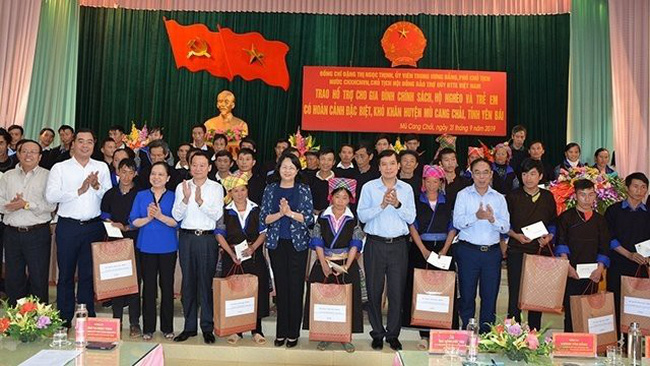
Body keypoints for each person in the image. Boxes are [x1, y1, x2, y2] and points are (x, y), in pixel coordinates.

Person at [46, 128, 112, 327]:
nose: (85, 145)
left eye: (89, 142)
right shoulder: (60, 167)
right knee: (65, 274)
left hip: (93, 227)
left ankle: (86, 315)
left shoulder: (101, 167)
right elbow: (51, 196)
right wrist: (80, 190)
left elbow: (109, 198)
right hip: (68, 226)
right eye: (81, 141)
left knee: (88, 274)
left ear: (94, 145)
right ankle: (64, 318)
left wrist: (97, 187)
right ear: (73, 144)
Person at [357, 150, 416, 351]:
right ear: (379, 166)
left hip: (399, 245)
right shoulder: (369, 187)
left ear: (398, 166)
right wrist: (382, 205)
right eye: (384, 164)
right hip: (374, 244)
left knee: (396, 291)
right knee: (374, 291)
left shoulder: (406, 189)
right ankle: (377, 333)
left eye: (392, 163)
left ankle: (393, 334)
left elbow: (411, 217)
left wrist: (397, 204)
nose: (388, 168)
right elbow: (362, 216)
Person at [303, 178, 363, 353]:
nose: (341, 201)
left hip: (346, 264)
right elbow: (317, 240)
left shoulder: (354, 218)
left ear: (350, 199)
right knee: (324, 301)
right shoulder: (322, 216)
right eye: (338, 197)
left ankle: (345, 336)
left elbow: (356, 242)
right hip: (324, 263)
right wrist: (323, 264)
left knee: (346, 301)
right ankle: (324, 335)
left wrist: (347, 265)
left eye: (345, 198)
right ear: (331, 197)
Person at [260, 153, 314, 348]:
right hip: (276, 244)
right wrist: (279, 214)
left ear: (297, 170)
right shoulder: (270, 189)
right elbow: (263, 218)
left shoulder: (303, 189)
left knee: (296, 287)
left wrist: (289, 213)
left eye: (292, 167)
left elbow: (309, 219)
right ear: (278, 169)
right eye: (284, 167)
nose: (288, 170)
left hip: (298, 245)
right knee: (281, 288)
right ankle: (281, 332)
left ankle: (293, 333)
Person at [404, 165, 458, 350]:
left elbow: (453, 226)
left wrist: (444, 249)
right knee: (421, 290)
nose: (431, 184)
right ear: (423, 182)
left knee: (443, 290)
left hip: (443, 248)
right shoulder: (417, 201)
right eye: (428, 180)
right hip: (421, 248)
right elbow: (412, 225)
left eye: (435, 181)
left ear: (441, 182)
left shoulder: (448, 201)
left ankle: (440, 332)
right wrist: (423, 250)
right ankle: (423, 333)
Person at [172, 151, 224, 344]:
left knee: (205, 283)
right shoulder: (182, 186)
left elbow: (217, 214)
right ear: (190, 166)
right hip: (186, 238)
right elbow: (176, 215)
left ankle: (207, 327)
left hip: (207, 240)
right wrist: (186, 199)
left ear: (209, 168)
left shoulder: (216, 188)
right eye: (195, 165)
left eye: (203, 165)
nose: (198, 169)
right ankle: (189, 327)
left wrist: (200, 202)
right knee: (188, 283)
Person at [453, 158, 510, 333]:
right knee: (467, 296)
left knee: (489, 296)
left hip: (491, 254)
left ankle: (486, 335)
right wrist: (476, 216)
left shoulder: (499, 198)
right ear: (471, 174)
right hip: (468, 251)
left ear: (491, 174)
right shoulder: (463, 195)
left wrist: (492, 219)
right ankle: (467, 332)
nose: (482, 177)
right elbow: (457, 222)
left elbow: (506, 226)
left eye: (485, 172)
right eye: (477, 172)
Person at [215, 175, 270, 345]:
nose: (240, 194)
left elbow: (263, 232)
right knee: (235, 292)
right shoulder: (224, 211)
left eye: (243, 190)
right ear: (230, 193)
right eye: (235, 191)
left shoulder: (257, 209)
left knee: (256, 291)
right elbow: (219, 234)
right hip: (232, 257)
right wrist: (231, 254)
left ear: (247, 190)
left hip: (253, 256)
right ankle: (236, 330)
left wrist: (253, 248)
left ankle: (257, 329)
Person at [0, 140, 56, 305]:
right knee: (13, 277)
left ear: (39, 157)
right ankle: (15, 319)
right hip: (11, 233)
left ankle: (40, 319)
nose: (28, 155)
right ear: (18, 154)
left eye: (33, 152)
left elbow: (51, 205)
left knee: (38, 276)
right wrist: (11, 206)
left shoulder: (48, 176)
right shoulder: (8, 176)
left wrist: (26, 204)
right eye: (24, 151)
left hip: (37, 233)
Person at [505, 159, 557, 331]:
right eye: (525, 174)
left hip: (539, 252)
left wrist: (550, 236)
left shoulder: (548, 197)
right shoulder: (513, 196)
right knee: (515, 295)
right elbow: (505, 225)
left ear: (541, 176)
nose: (528, 178)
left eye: (533, 174)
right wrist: (515, 235)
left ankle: (534, 333)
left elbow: (554, 222)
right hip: (517, 250)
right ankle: (513, 333)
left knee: (536, 296)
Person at [130, 161, 179, 340]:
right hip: (146, 246)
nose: (156, 177)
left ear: (168, 178)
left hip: (168, 247)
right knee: (148, 288)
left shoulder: (174, 196)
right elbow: (133, 221)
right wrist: (149, 218)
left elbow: (177, 222)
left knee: (167, 287)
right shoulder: (141, 195)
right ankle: (148, 328)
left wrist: (160, 216)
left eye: (160, 174)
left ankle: (167, 327)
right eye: (153, 174)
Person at [555, 179, 610, 332]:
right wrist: (567, 267)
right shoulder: (566, 217)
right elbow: (561, 242)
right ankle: (569, 346)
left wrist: (600, 269)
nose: (587, 199)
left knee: (590, 312)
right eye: (583, 195)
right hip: (571, 272)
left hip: (593, 274)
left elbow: (604, 246)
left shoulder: (600, 220)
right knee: (571, 313)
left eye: (591, 195)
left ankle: (588, 347)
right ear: (576, 196)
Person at [100, 158, 142, 337]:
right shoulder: (110, 193)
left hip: (135, 242)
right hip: (114, 243)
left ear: (135, 174)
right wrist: (112, 224)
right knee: (116, 281)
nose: (126, 175)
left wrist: (127, 227)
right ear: (117, 172)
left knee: (134, 283)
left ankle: (134, 323)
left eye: (130, 172)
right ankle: (116, 320)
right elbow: (103, 214)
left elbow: (142, 218)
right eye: (123, 171)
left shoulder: (140, 194)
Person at [605, 172, 650, 332]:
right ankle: (616, 344)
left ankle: (637, 345)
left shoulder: (648, 213)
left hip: (641, 267)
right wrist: (629, 254)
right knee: (616, 305)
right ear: (627, 188)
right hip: (618, 265)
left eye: (643, 187)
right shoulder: (613, 210)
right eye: (636, 186)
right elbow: (609, 238)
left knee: (639, 306)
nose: (639, 190)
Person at [203, 90, 249, 156]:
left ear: (233, 105)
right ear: (217, 104)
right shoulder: (208, 124)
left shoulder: (242, 125)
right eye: (220, 101)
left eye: (226, 102)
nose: (223, 105)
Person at [309, 147, 336, 215]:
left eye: (329, 160)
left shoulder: (338, 180)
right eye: (323, 159)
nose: (325, 163)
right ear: (318, 161)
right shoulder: (308, 178)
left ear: (334, 162)